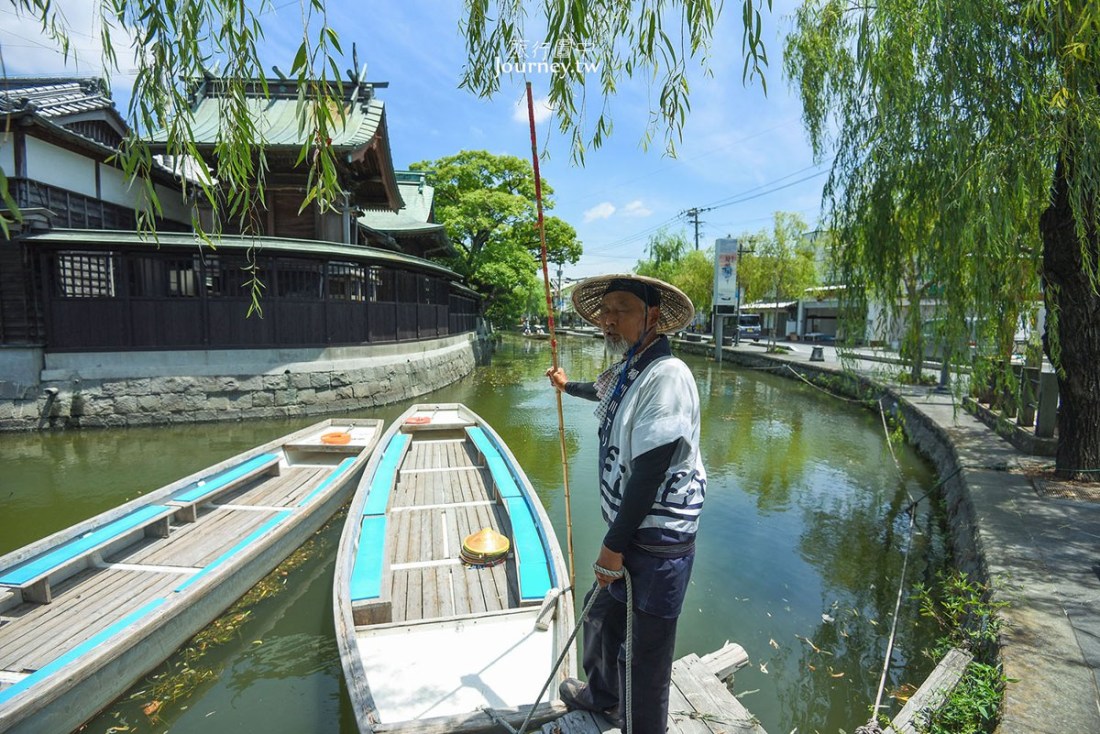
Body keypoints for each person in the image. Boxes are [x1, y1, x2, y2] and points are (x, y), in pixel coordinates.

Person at [546, 274, 706, 732]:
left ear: (652, 316)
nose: (608, 319)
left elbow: (651, 470)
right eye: (605, 311)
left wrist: (612, 547)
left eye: (621, 309)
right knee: (599, 616)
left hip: (656, 542)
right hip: (631, 531)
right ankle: (602, 695)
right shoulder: (633, 366)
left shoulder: (668, 374)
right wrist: (564, 385)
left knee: (644, 660)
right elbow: (600, 392)